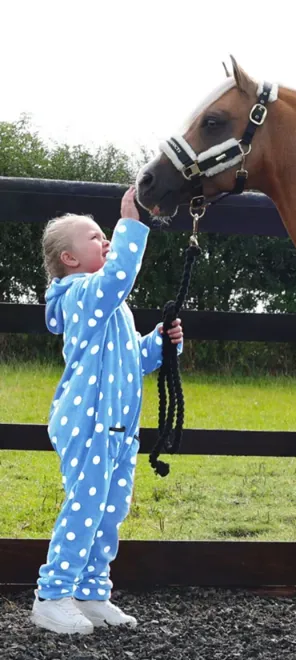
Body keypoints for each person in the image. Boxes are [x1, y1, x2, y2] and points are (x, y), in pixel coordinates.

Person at [32, 186, 183, 634]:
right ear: (69, 259)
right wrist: (131, 221)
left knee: (110, 510)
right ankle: (52, 594)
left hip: (117, 426)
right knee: (85, 505)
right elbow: (118, 277)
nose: (106, 241)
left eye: (106, 234)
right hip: (88, 422)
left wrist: (159, 342)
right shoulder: (81, 296)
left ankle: (91, 592)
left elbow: (134, 361)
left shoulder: (111, 307)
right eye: (96, 237)